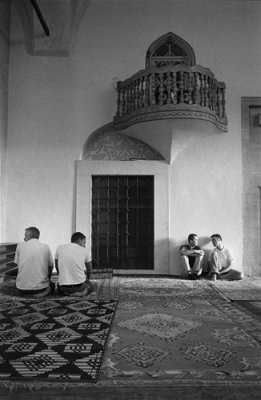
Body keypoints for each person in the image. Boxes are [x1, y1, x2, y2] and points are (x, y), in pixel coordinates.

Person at [14, 226, 55, 296]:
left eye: (25, 235)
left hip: (21, 289)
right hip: (41, 288)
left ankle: (26, 293)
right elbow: (51, 265)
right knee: (52, 285)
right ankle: (42, 293)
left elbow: (16, 264)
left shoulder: (20, 246)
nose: (24, 238)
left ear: (30, 235)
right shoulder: (45, 247)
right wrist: (48, 279)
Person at [55, 232, 93, 296]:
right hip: (79, 287)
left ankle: (66, 293)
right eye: (84, 242)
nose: (85, 245)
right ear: (79, 241)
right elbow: (89, 271)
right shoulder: (84, 250)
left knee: (56, 286)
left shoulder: (59, 248)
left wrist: (62, 278)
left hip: (63, 287)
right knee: (91, 286)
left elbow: (56, 266)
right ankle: (82, 293)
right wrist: (88, 280)